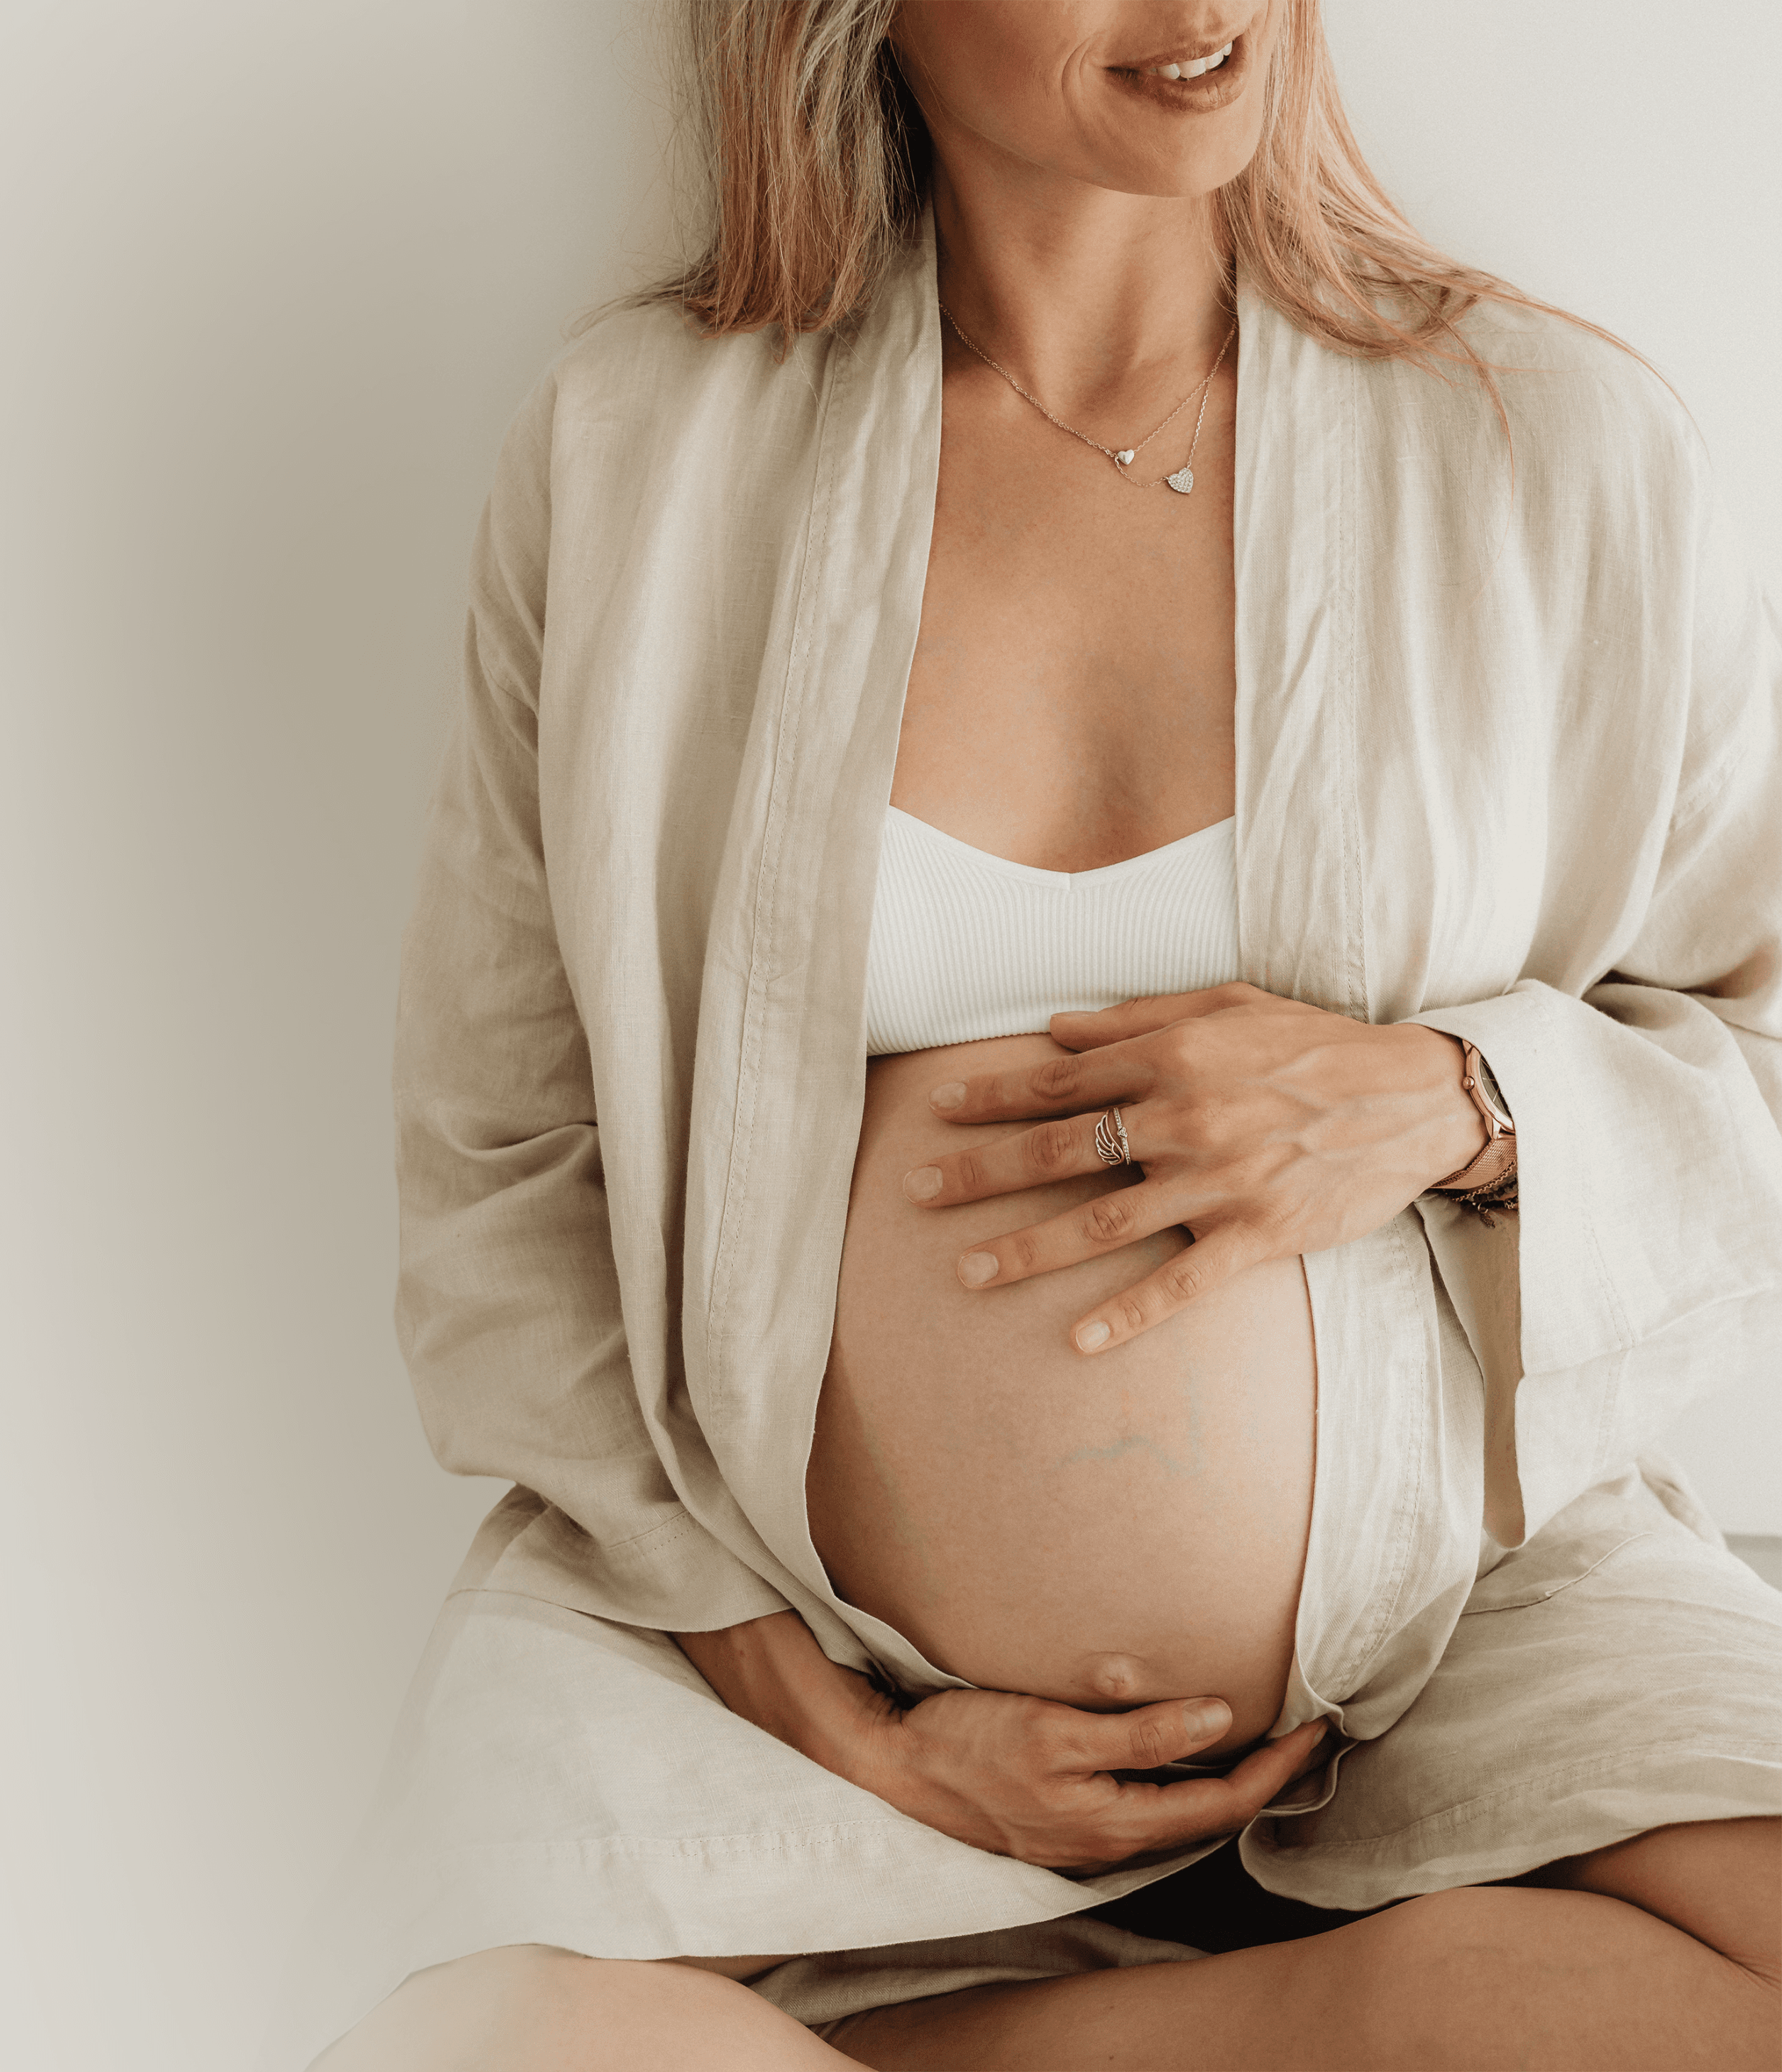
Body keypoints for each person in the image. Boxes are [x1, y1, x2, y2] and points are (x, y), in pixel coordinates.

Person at [275, 2, 1782, 2066]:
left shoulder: (1551, 447)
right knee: (477, 2037)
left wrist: (1456, 1098)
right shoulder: (646, 454)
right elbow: (500, 1159)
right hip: (762, 1641)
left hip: (1451, 1617)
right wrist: (835, 1728)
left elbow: (1761, 1041)